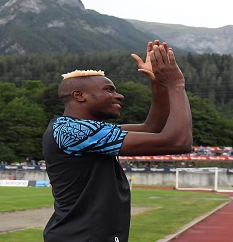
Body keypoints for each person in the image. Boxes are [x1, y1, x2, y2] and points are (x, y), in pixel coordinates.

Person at [42, 40, 193, 242]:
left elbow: (153, 128)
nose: (119, 95)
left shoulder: (82, 130)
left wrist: (158, 83)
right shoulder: (71, 131)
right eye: (109, 90)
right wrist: (175, 84)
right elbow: (178, 142)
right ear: (79, 95)